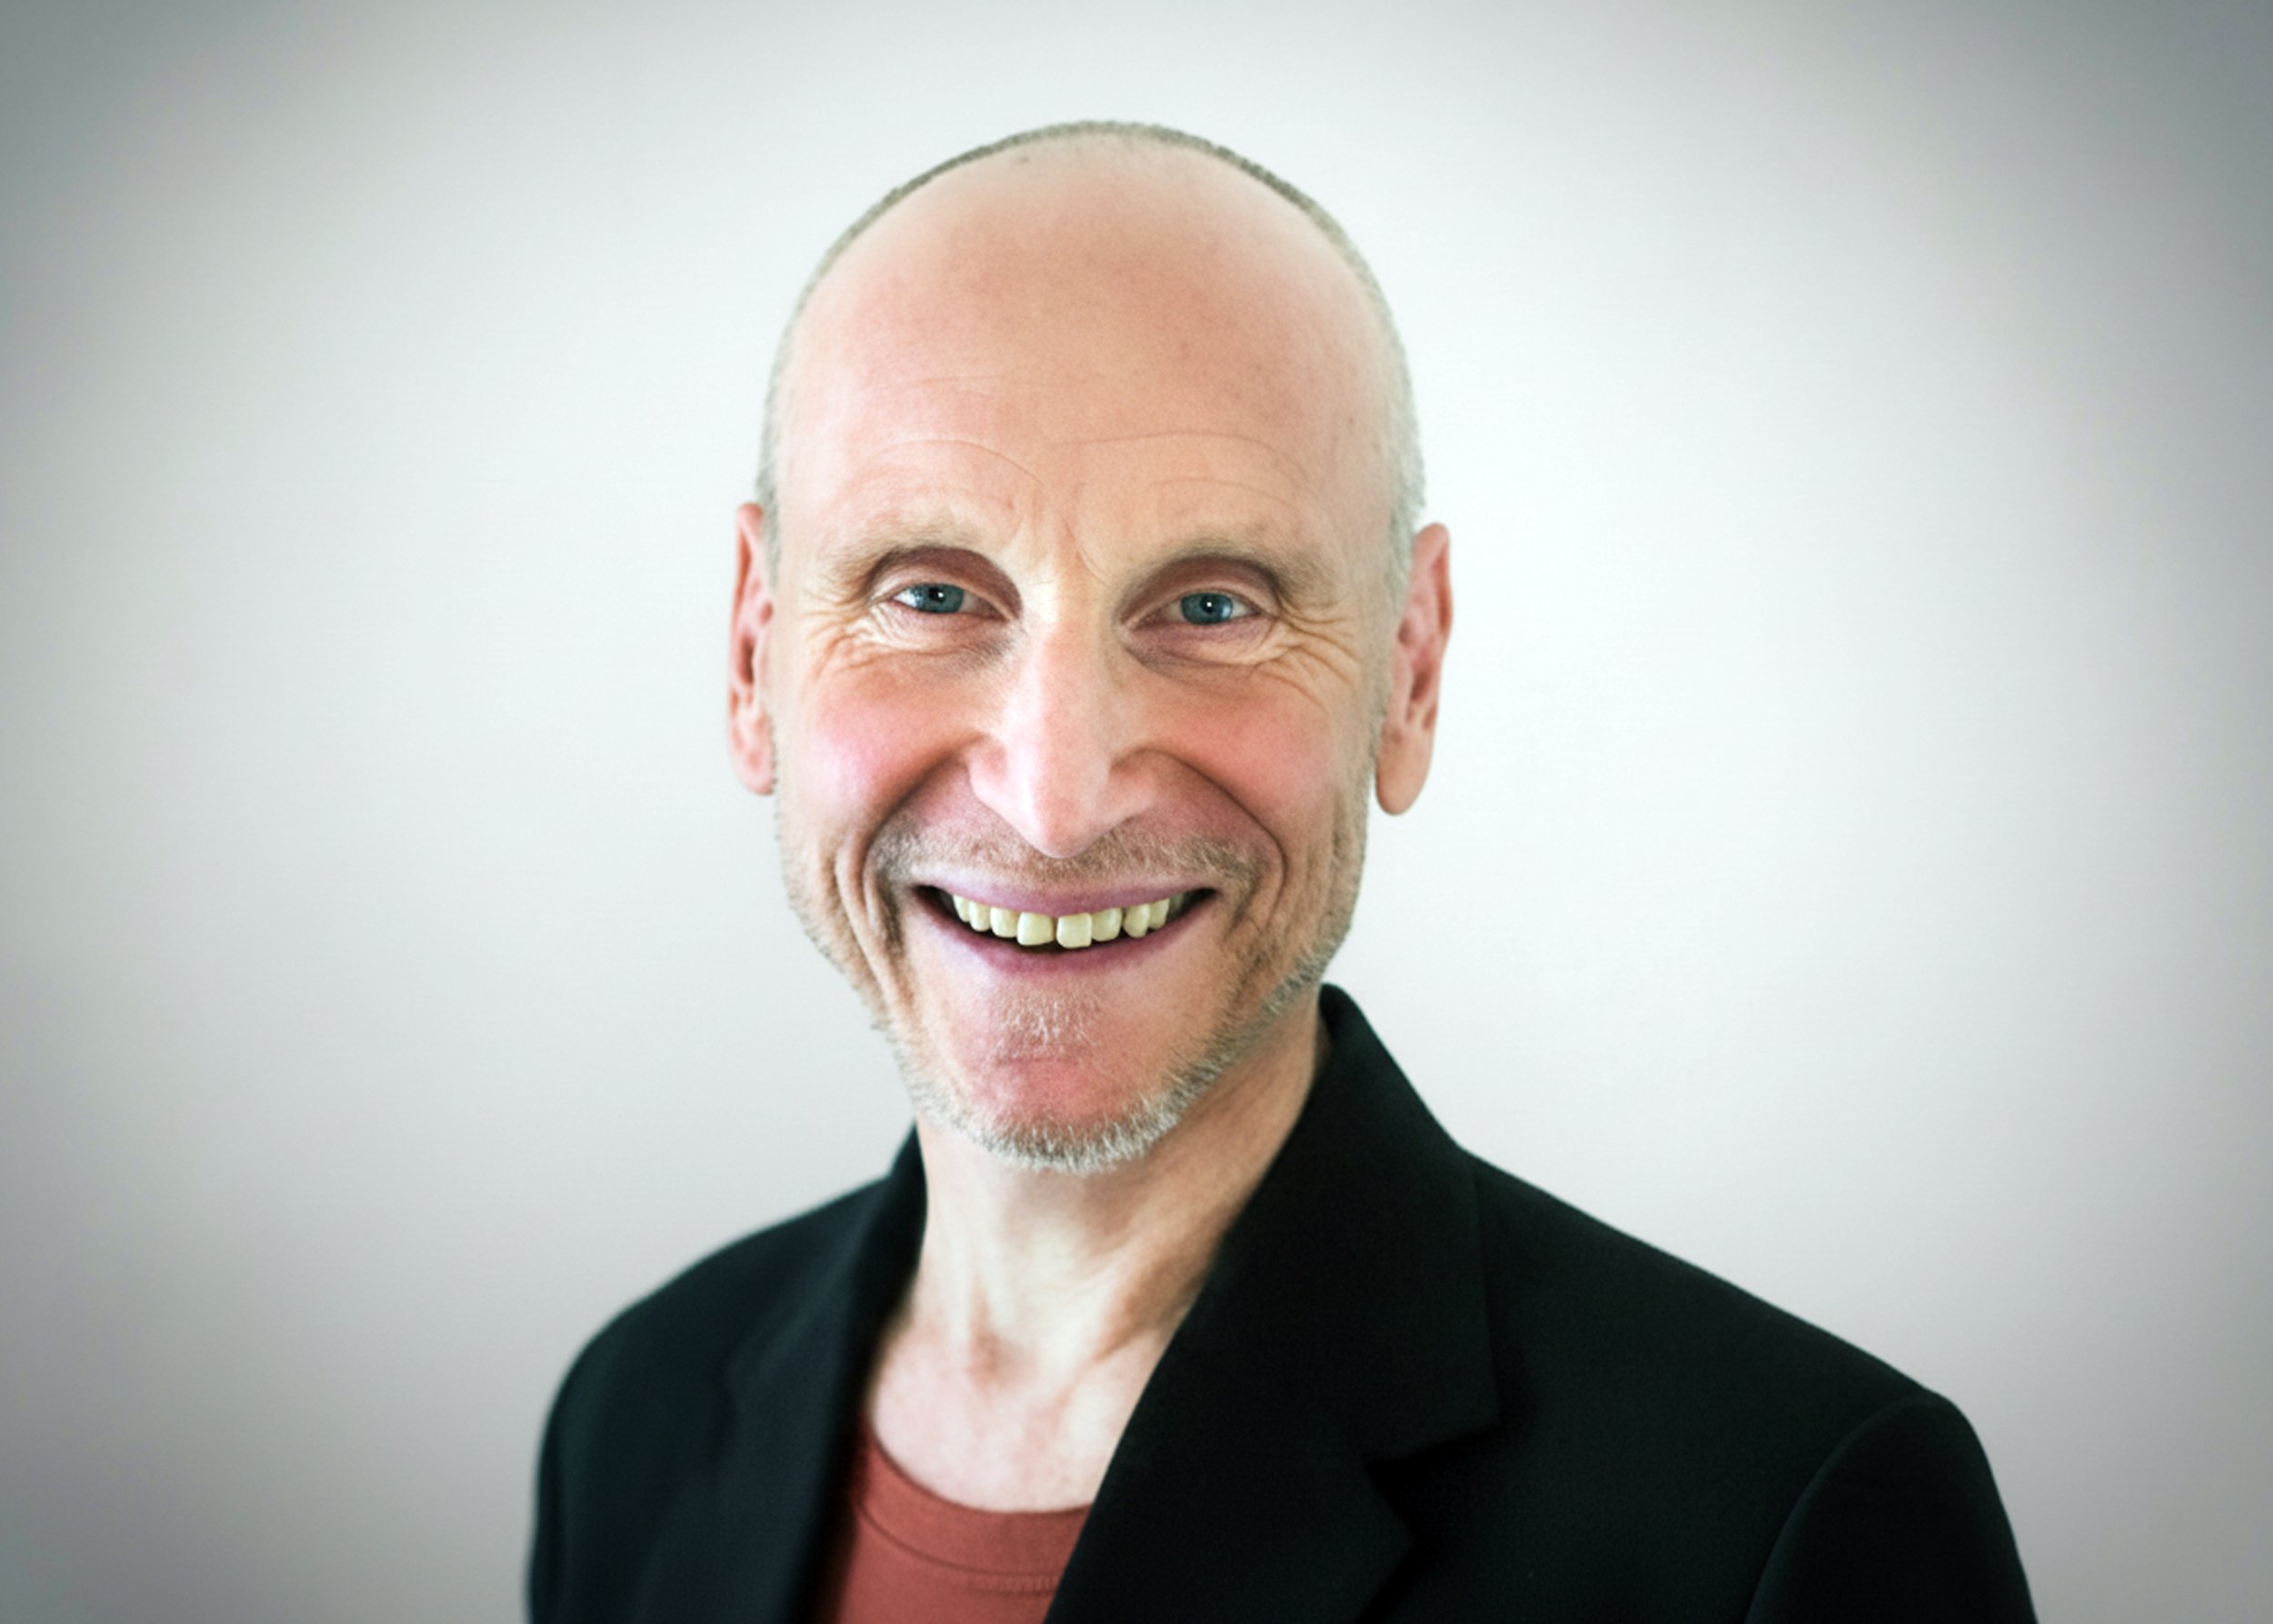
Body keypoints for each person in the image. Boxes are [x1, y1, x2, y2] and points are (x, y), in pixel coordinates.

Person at [528, 121, 2036, 1623]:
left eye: (1210, 603)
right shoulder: (635, 1415)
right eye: (931, 593)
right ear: (751, 652)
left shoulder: (1785, 1525)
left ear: (1409, 669)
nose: (1055, 802)